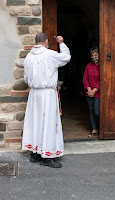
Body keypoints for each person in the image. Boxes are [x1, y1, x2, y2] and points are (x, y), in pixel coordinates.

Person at [22, 33, 71, 168]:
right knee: (48, 123)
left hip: (34, 94)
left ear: (36, 42)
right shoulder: (50, 54)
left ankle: (35, 154)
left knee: (35, 123)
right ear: (46, 42)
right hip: (47, 94)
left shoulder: (28, 57)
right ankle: (47, 157)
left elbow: (26, 78)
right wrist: (61, 43)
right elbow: (66, 57)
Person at [83, 47, 100, 138]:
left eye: (96, 55)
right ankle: (94, 129)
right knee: (91, 111)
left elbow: (101, 79)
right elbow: (85, 78)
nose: (94, 57)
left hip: (97, 93)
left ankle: (100, 127)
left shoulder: (102, 66)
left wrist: (94, 90)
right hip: (89, 93)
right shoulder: (88, 66)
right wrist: (89, 89)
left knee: (97, 111)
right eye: (92, 55)